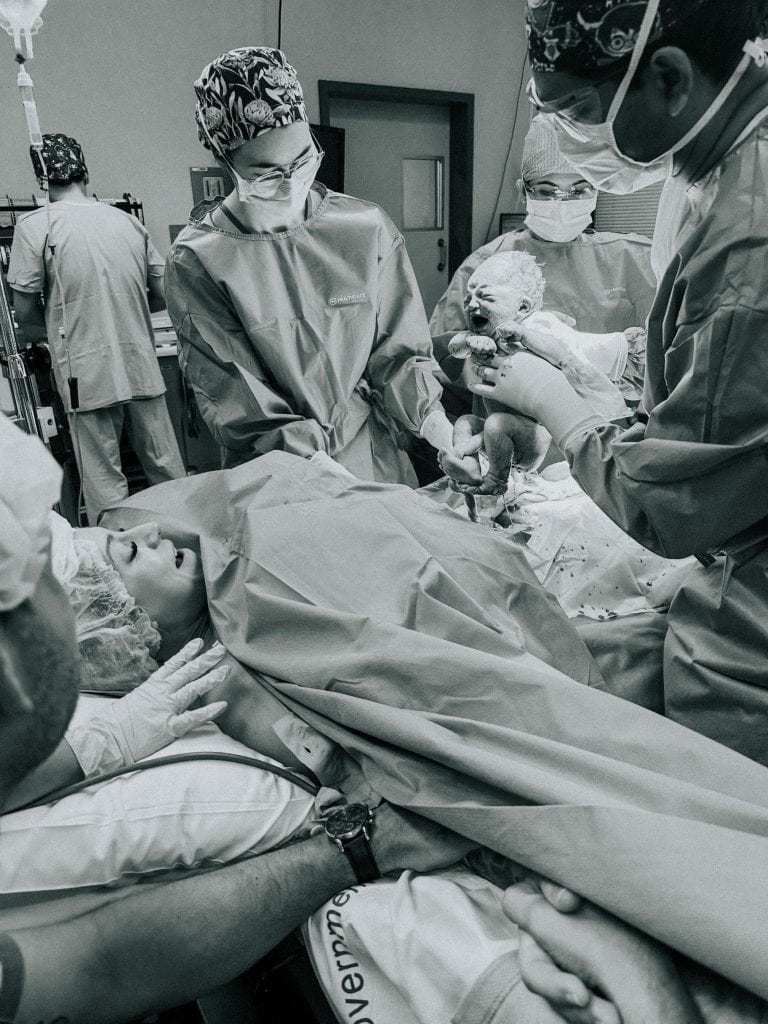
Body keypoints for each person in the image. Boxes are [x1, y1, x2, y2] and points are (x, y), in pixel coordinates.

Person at [0, 413, 470, 1022]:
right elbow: (103, 959)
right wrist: (353, 850)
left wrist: (100, 746)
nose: (146, 529)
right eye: (126, 553)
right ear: (111, 633)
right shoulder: (228, 689)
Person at [465, 0, 768, 765]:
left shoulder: (747, 234)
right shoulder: (722, 174)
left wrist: (556, 404)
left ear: (667, 77)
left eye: (575, 109)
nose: (565, 140)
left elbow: (680, 499)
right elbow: (715, 398)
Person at [165, 47, 454, 487]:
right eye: (266, 173)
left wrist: (438, 429)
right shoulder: (200, 261)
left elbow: (399, 355)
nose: (290, 181)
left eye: (303, 160)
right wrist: (317, 469)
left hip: (371, 454)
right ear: (225, 161)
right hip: (279, 473)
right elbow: (239, 399)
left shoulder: (362, 228)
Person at [7, 133, 186, 526]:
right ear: (85, 173)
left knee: (104, 481)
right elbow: (162, 293)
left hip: (83, 374)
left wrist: (55, 330)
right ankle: (189, 549)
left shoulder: (36, 227)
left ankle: (122, 569)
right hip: (139, 361)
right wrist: (127, 310)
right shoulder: (126, 222)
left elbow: (25, 313)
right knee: (166, 468)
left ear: (43, 180)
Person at [430, 114, 656, 411]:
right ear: (524, 191)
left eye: (579, 189)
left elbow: (669, 355)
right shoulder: (488, 264)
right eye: (548, 191)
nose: (564, 202)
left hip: (612, 429)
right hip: (519, 424)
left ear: (598, 188)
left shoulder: (634, 257)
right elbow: (443, 358)